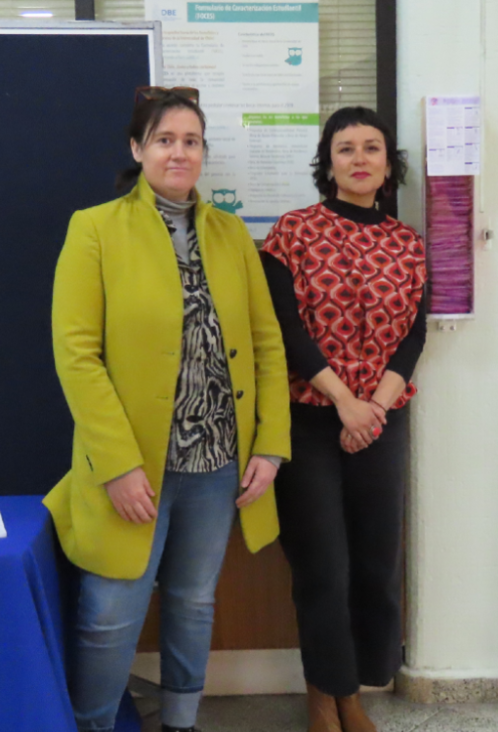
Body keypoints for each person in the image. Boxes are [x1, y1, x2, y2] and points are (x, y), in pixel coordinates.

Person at [44, 87, 291, 732]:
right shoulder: (94, 229)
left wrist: (270, 445)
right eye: (164, 140)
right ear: (137, 148)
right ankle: (91, 724)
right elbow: (76, 356)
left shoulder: (231, 233)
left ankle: (181, 723)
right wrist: (118, 464)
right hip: (134, 468)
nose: (178, 152)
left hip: (216, 463)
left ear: (203, 152)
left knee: (193, 602)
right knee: (108, 613)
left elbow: (266, 342)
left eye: (190, 141)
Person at [260, 106, 427, 732]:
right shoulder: (293, 232)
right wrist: (344, 402)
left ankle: (351, 689)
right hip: (309, 418)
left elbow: (412, 338)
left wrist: (375, 407)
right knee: (322, 565)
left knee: (374, 565)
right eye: (346, 148)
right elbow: (286, 328)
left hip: (380, 422)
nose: (360, 158)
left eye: (372, 148)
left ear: (388, 163)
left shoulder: (408, 244)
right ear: (327, 163)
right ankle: (323, 696)